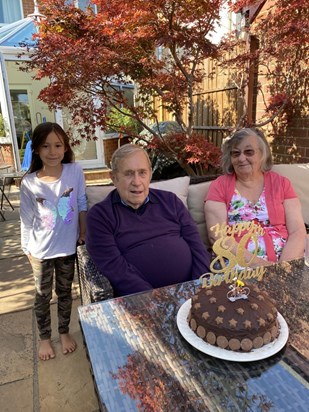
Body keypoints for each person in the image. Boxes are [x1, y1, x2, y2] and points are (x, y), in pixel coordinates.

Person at [86, 144, 210, 297]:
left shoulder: (170, 201)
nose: (137, 182)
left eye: (142, 173)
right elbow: (116, 269)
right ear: (114, 178)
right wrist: (154, 299)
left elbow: (197, 247)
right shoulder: (100, 216)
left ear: (150, 174)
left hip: (191, 292)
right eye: (129, 174)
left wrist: (198, 286)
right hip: (142, 301)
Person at [20, 122, 87, 361]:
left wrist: (83, 231)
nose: (52, 151)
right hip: (39, 251)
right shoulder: (28, 183)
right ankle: (45, 338)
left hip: (67, 249)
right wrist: (26, 249)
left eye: (58, 145)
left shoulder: (75, 171)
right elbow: (26, 220)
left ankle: (64, 331)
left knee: (65, 292)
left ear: (65, 146)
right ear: (36, 149)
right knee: (42, 295)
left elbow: (81, 201)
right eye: (45, 146)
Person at [204, 127, 306, 267]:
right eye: (235, 153)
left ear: (262, 154)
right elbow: (217, 236)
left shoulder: (281, 184)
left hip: (285, 261)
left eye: (249, 152)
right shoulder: (219, 186)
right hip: (238, 263)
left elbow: (297, 231)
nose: (241, 158)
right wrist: (263, 267)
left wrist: (282, 268)